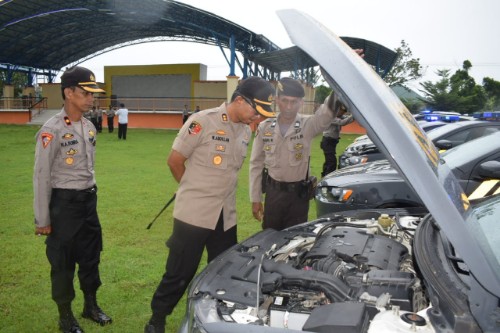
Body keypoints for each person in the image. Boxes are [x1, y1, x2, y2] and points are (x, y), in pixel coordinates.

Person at [144, 76, 275, 333]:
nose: (257, 117)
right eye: (255, 110)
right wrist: (192, 190)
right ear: (239, 100)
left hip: (225, 216)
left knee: (224, 269)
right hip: (193, 214)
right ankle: (157, 319)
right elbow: (174, 160)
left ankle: (217, 318)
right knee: (180, 272)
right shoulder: (202, 122)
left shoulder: (244, 130)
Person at [33, 66, 112, 333]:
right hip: (64, 205)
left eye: (94, 94)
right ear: (68, 93)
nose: (92, 98)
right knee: (63, 261)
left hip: (89, 202)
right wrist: (43, 218)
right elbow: (41, 176)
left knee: (91, 257)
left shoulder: (89, 127)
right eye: (85, 93)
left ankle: (90, 306)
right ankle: (65, 315)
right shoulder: (51, 130)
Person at [249, 77, 345, 231]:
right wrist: (255, 198)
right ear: (277, 100)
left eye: (294, 102)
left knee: (296, 241)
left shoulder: (309, 125)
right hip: (273, 195)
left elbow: (327, 112)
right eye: (284, 100)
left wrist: (341, 78)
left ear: (301, 102)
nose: (288, 106)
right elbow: (256, 164)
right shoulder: (264, 127)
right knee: (270, 238)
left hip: (298, 198)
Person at [320, 105, 354, 177]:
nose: (343, 113)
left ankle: (324, 176)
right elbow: (342, 122)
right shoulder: (330, 117)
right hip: (327, 141)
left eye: (344, 112)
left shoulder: (339, 116)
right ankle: (329, 177)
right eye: (342, 111)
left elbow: (346, 119)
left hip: (331, 142)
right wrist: (353, 116)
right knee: (332, 162)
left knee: (328, 161)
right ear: (337, 110)